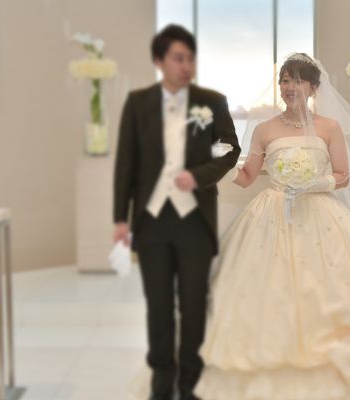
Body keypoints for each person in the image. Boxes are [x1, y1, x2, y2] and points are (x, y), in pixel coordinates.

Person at [193, 53, 350, 400]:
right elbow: (249, 176)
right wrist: (219, 166)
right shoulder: (264, 129)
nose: (290, 87)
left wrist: (315, 183)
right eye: (285, 80)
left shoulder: (329, 127)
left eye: (298, 80)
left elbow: (343, 175)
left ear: (314, 88)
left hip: (319, 211)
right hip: (272, 212)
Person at [112, 24, 240, 400]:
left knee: (194, 303)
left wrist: (198, 176)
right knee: (158, 305)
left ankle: (190, 382)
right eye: (178, 58)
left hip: (195, 220)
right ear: (159, 61)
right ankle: (161, 379)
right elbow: (126, 163)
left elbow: (230, 149)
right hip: (151, 221)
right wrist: (120, 218)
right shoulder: (137, 103)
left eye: (191, 59)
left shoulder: (212, 101)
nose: (187, 66)